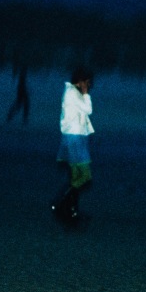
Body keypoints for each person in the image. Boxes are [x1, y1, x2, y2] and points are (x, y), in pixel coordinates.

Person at [52, 67, 94, 225]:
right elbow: (88, 110)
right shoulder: (72, 93)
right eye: (88, 82)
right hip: (74, 138)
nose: (89, 85)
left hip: (76, 138)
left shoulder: (73, 92)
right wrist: (85, 93)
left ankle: (71, 210)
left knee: (76, 177)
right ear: (81, 80)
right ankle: (60, 203)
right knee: (85, 177)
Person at [6, 57, 30, 124]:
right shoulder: (23, 69)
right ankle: (24, 119)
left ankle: (11, 116)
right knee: (24, 103)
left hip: (21, 88)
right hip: (22, 88)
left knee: (21, 103)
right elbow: (22, 80)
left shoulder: (22, 68)